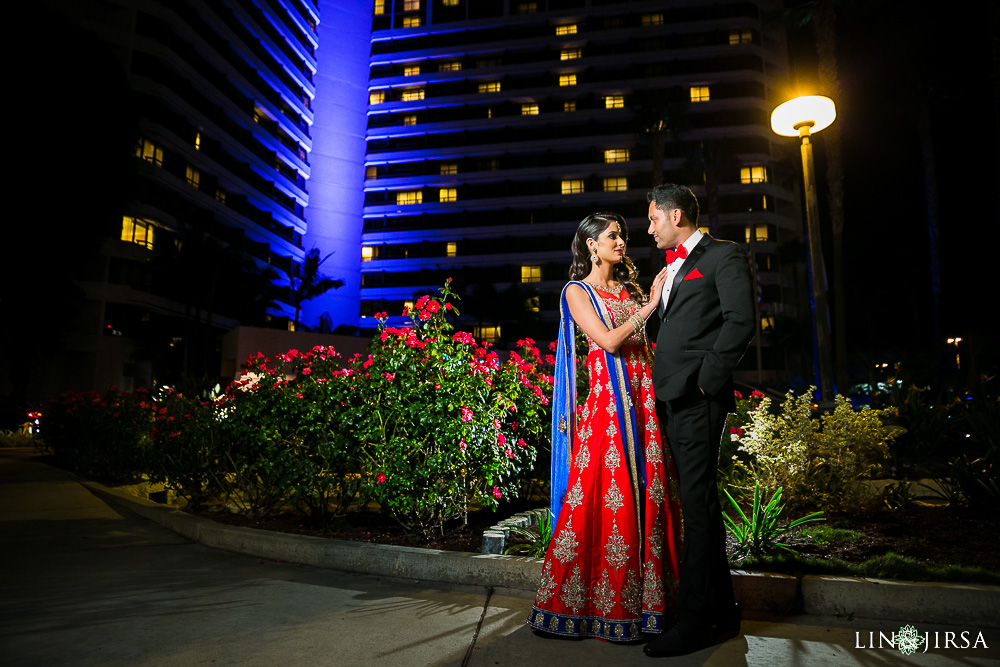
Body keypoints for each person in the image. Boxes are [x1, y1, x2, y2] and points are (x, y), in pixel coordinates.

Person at [527, 212, 682, 642]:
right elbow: (610, 341)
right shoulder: (577, 291)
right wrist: (649, 307)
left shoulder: (629, 289)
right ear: (590, 245)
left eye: (623, 235)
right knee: (606, 501)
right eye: (612, 236)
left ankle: (652, 607)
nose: (621, 241)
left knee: (648, 499)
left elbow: (647, 345)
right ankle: (590, 609)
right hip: (609, 411)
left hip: (644, 403)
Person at [642, 184, 756, 657]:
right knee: (699, 506)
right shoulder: (669, 270)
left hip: (696, 398)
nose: (648, 229)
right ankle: (723, 611)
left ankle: (693, 622)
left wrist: (705, 382)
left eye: (653, 219)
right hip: (671, 399)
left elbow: (740, 321)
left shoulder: (722, 256)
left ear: (676, 216)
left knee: (697, 509)